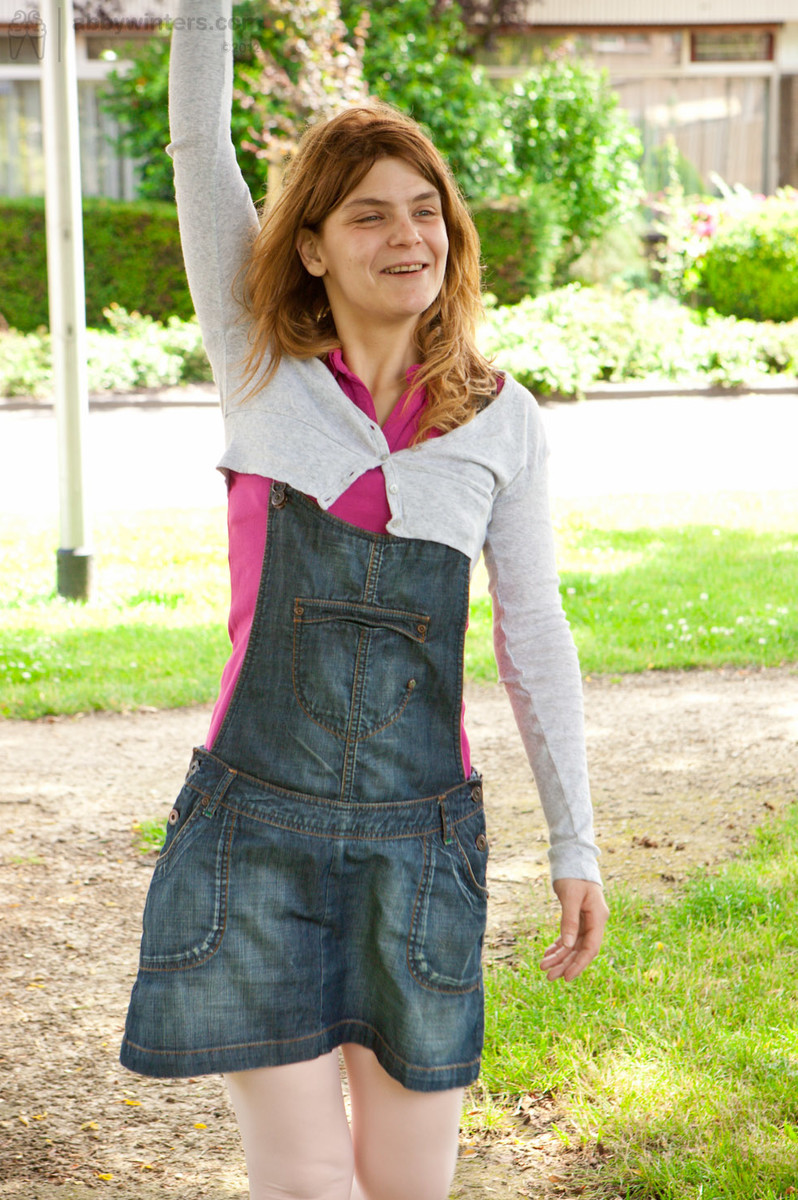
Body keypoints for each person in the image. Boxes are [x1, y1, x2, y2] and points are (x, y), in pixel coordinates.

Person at [120, 1, 609, 1197]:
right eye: (371, 214)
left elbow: (532, 636)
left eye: (427, 210)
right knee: (308, 1186)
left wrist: (575, 839)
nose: (410, 236)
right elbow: (198, 143)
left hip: (422, 849)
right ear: (311, 245)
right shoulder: (258, 366)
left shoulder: (503, 420)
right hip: (257, 842)